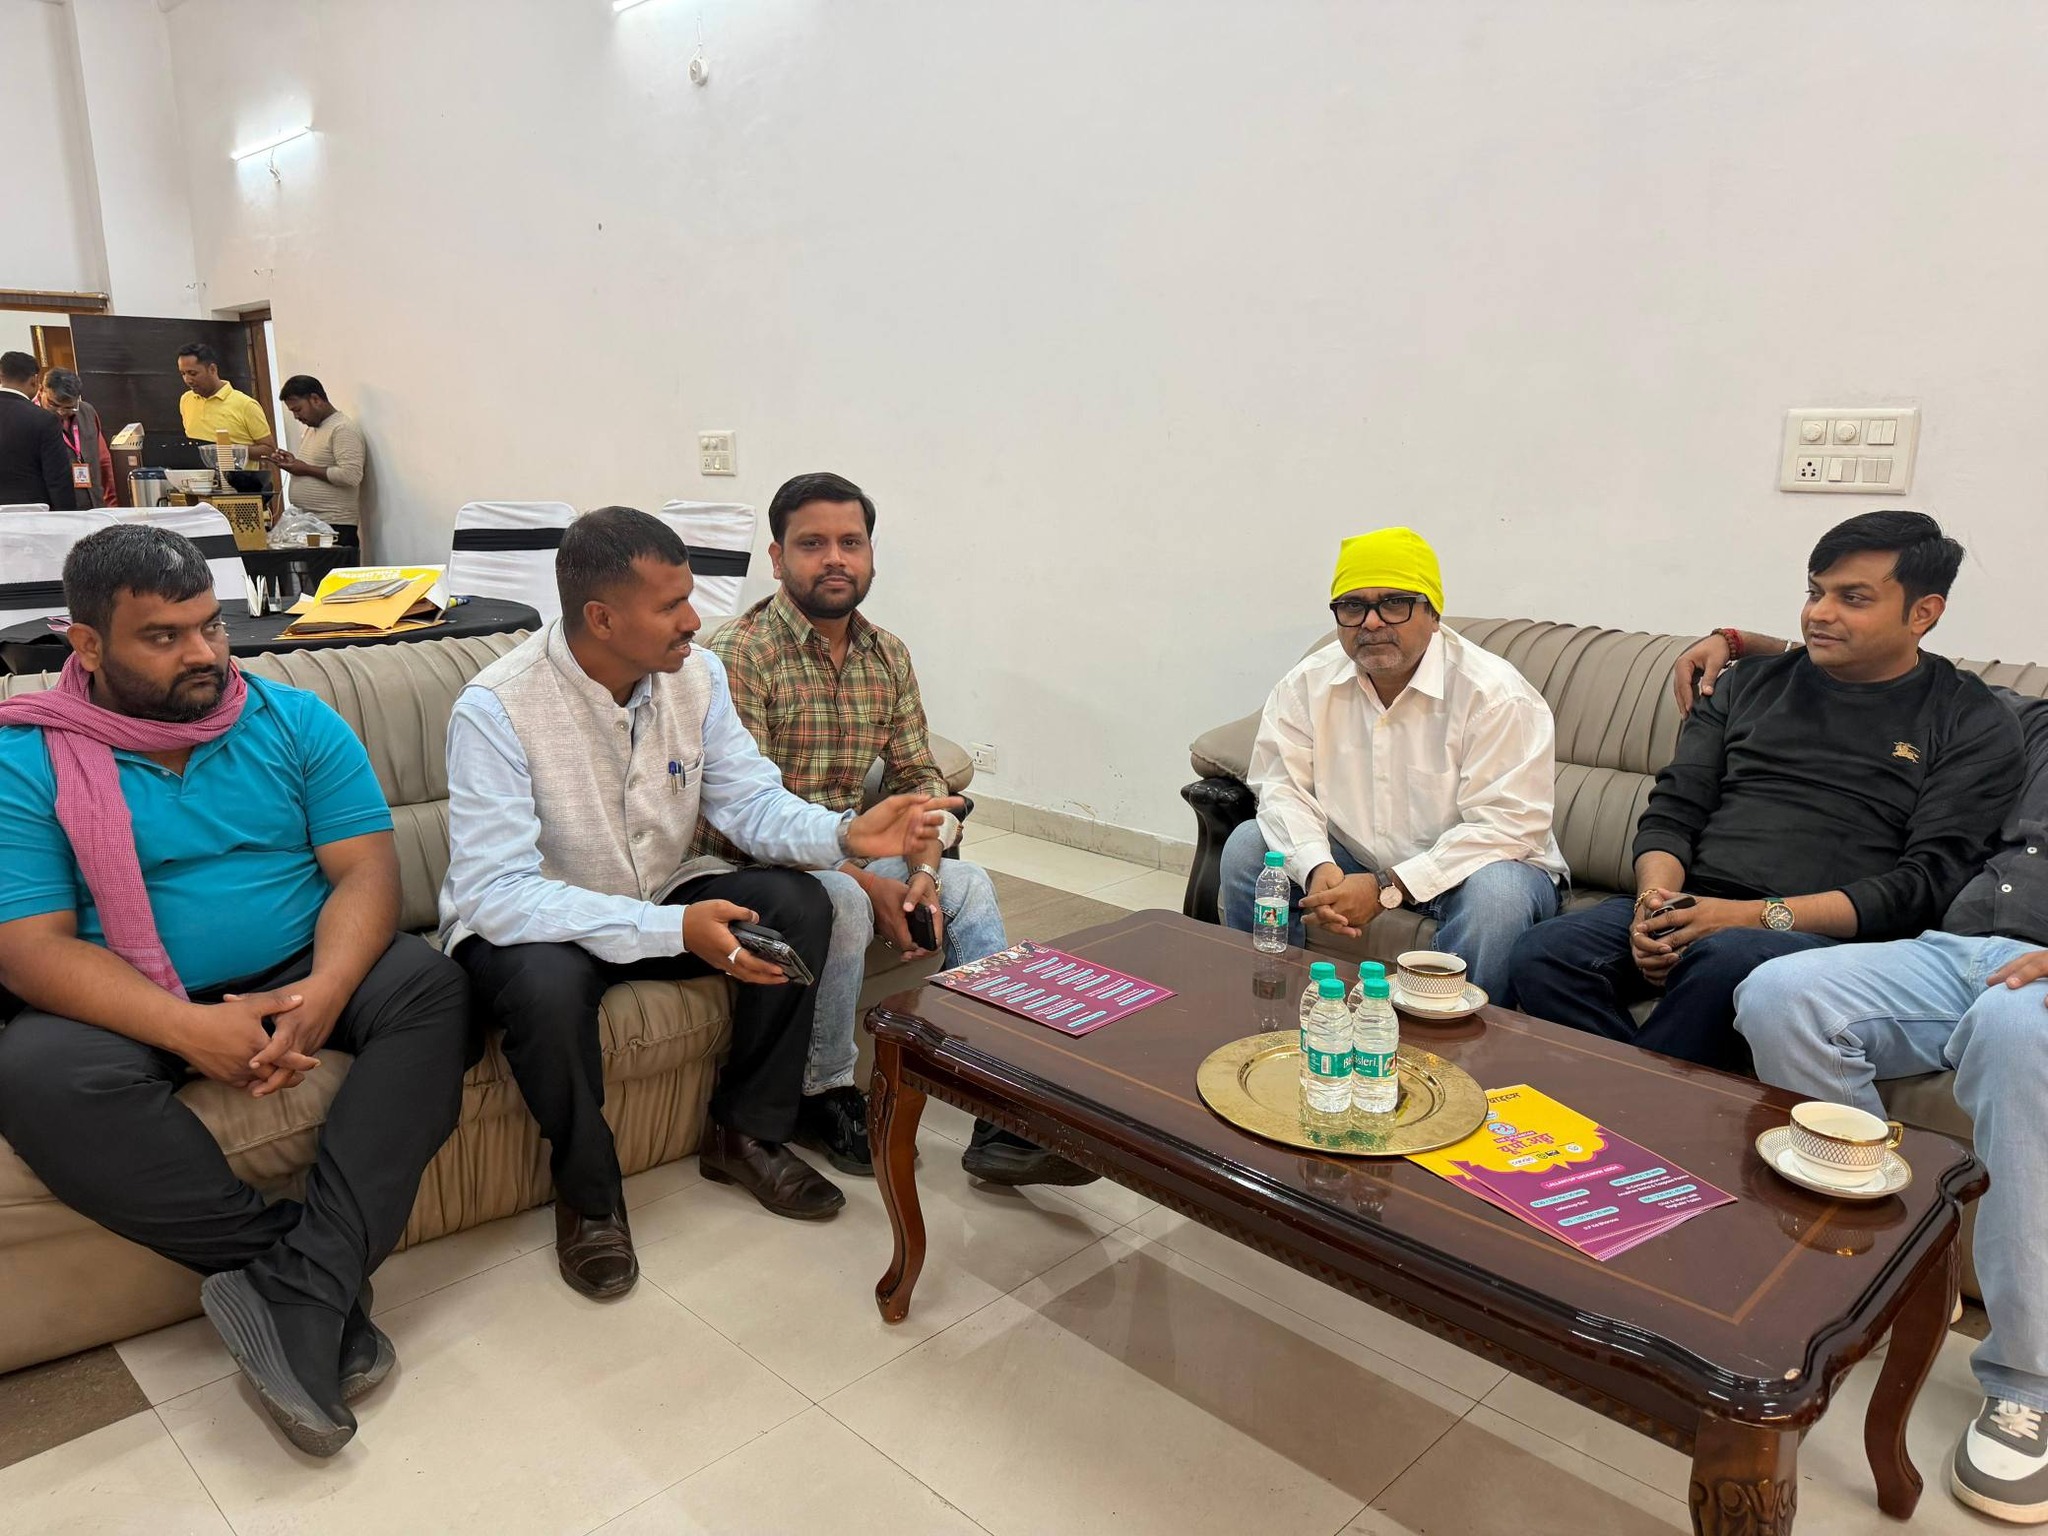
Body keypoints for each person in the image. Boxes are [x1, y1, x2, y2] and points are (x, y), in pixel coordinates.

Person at [0, 525, 470, 1458]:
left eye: (212, 627)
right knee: (39, 1073)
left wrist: (327, 991)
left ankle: (307, 1281)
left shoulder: (292, 721)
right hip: (128, 990)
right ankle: (292, 1263)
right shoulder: (26, 760)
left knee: (433, 990)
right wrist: (189, 1029)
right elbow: (30, 951)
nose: (206, 655)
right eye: (164, 637)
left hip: (299, 964)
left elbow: (366, 876)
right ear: (85, 645)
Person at [442, 506, 958, 1301]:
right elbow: (497, 893)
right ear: (602, 618)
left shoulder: (697, 675)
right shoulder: (497, 707)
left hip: (658, 891)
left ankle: (746, 1132)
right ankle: (588, 1194)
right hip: (539, 921)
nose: (694, 620)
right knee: (543, 989)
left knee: (801, 902)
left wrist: (848, 834)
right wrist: (668, 927)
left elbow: (751, 804)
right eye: (672, 605)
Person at [1662, 627, 2048, 1525]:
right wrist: (1742, 642)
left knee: (2009, 1029)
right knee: (1779, 992)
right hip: (1951, 951)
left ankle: (2025, 1379)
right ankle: (1885, 1265)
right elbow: (1889, 665)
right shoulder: (2018, 718)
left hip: (2039, 979)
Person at [1508, 510, 2024, 1071]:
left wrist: (1743, 917)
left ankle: (1618, 1121)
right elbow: (1674, 811)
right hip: (1695, 901)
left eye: (1853, 598)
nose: (1819, 614)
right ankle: (1639, 1111)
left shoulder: (1969, 718)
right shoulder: (1749, 684)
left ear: (1923, 613)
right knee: (1545, 953)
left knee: (1726, 961)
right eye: (1814, 592)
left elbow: (1924, 885)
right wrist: (1651, 907)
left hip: (1823, 937)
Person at [702, 472, 1092, 1187]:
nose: (834, 559)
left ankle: (997, 1106)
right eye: (811, 544)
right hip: (751, 866)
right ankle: (825, 1094)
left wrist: (921, 872)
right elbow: (738, 819)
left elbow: (921, 780)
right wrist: (859, 879)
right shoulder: (740, 654)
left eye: (850, 542)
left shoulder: (887, 656)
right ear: (777, 557)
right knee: (844, 898)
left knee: (969, 886)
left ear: (872, 554)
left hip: (852, 854)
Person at [1219, 527, 1565, 995]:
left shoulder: (1494, 694)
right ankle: (1275, 1006)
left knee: (1497, 898)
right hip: (1353, 855)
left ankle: (1456, 1051)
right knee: (1249, 847)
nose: (1372, 622)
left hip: (1477, 869)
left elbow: (1508, 825)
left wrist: (1387, 887)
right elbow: (1282, 789)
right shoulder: (1308, 684)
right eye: (1353, 606)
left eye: (1395, 604)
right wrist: (1318, 868)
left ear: (1434, 613)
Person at [270, 375, 365, 548]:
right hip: (311, 526)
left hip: (335, 528)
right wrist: (294, 463)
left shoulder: (342, 429)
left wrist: (304, 468)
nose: (296, 416)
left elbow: (351, 475)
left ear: (315, 399)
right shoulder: (313, 429)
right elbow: (313, 466)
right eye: (292, 411)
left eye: (298, 409)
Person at [36, 367, 117, 509]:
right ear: (41, 390)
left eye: (69, 407)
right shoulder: (32, 418)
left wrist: (112, 501)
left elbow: (103, 460)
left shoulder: (88, 412)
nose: (61, 412)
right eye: (53, 404)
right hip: (55, 509)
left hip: (94, 504)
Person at [0, 349, 70, 510]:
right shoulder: (43, 420)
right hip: (33, 516)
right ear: (34, 380)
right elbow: (57, 479)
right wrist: (67, 517)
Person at [176, 342, 275, 451]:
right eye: (183, 374)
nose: (188, 380)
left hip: (234, 468)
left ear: (212, 369)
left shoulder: (246, 405)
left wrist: (228, 451)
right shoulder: (186, 400)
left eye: (193, 373)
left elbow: (269, 450)